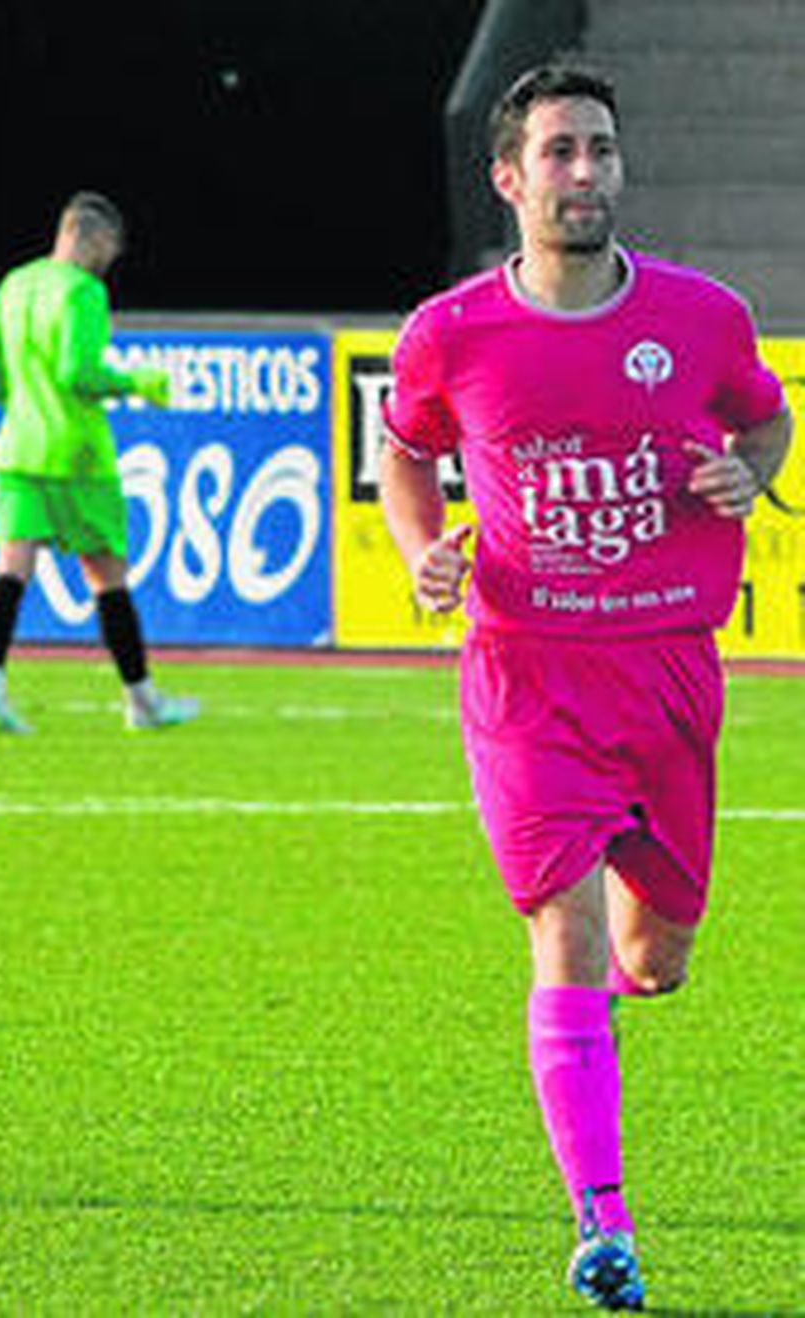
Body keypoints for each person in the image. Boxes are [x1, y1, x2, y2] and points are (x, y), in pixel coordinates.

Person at [380, 64, 791, 1310]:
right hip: (526, 674)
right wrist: (420, 550)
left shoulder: (702, 315)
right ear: (508, 180)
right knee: (555, 926)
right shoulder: (450, 334)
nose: (583, 174)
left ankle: (600, 1020)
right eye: (557, 153)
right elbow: (404, 448)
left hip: (668, 670)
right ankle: (601, 1224)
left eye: (599, 151)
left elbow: (763, 421)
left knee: (653, 957)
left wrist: (743, 473)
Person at [0, 190, 198, 734]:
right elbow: (79, 372)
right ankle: (142, 702)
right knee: (107, 578)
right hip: (78, 456)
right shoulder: (83, 292)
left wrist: (24, 405)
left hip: (19, 451)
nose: (109, 261)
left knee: (10, 571)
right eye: (108, 249)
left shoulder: (16, 284)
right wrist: (137, 382)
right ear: (87, 237)